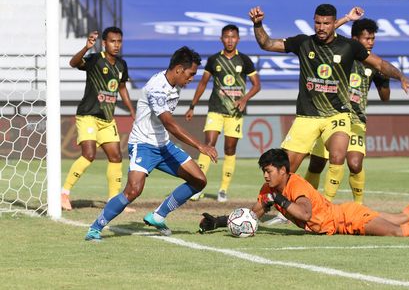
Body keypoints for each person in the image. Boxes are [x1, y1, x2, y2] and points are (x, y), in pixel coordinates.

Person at [248, 4, 409, 206]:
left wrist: (401, 76)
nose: (321, 27)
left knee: (338, 155)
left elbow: (380, 64)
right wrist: (258, 24)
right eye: (318, 23)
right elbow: (267, 44)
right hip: (308, 116)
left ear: (334, 23)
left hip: (337, 115)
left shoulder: (349, 46)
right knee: (285, 169)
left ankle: (326, 206)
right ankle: (263, 209)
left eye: (326, 23)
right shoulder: (303, 43)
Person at [85, 46, 218, 241]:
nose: (192, 79)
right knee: (133, 191)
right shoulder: (157, 88)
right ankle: (95, 228)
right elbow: (169, 123)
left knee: (199, 180)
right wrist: (201, 146)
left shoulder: (175, 84)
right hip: (143, 145)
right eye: (191, 74)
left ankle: (157, 216)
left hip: (163, 145)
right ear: (179, 69)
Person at [198, 149, 409, 237]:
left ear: (283, 170)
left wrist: (278, 200)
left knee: (398, 231)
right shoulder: (268, 189)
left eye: (269, 170)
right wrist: (221, 222)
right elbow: (254, 214)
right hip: (342, 219)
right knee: (400, 218)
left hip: (347, 218)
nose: (265, 175)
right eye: (264, 171)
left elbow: (304, 212)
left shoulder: (296, 186)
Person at [305, 18, 390, 203]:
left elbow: (385, 98)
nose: (371, 42)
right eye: (366, 38)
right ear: (354, 39)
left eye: (373, 38)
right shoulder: (344, 53)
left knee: (354, 163)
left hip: (356, 120)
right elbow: (327, 32)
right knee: (317, 163)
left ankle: (358, 207)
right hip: (331, 116)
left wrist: (385, 81)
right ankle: (305, 202)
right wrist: (347, 18)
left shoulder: (375, 64)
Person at [61, 27, 136, 211]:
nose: (116, 45)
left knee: (116, 157)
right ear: (104, 42)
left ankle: (114, 201)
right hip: (88, 115)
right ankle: (63, 194)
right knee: (89, 154)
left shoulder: (121, 65)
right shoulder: (95, 59)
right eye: (112, 41)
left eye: (119, 41)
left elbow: (122, 88)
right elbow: (73, 63)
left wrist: (132, 111)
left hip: (107, 119)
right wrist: (86, 48)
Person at [185, 24, 261, 202]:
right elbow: (203, 83)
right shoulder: (213, 60)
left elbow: (257, 85)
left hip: (234, 113)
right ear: (221, 39)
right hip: (215, 110)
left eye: (233, 37)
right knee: (208, 145)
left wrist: (244, 99)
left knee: (229, 149)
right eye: (226, 37)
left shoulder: (244, 60)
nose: (229, 40)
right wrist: (192, 106)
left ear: (238, 39)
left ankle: (223, 189)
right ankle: (198, 186)